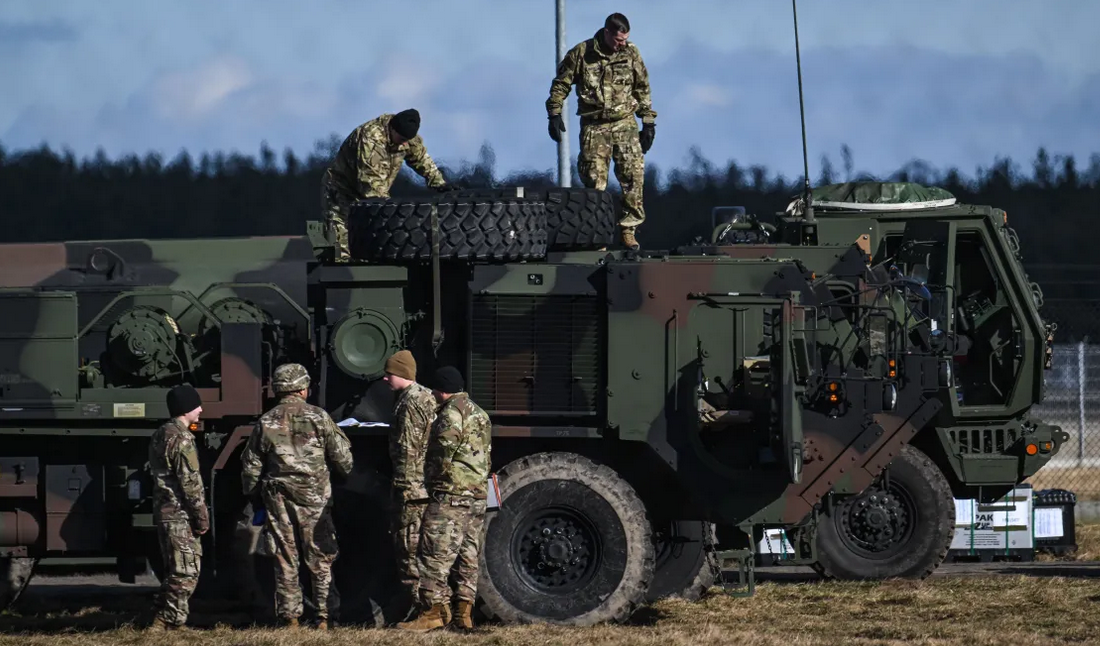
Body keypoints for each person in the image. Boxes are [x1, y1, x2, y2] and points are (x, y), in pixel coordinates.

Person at [240, 363, 354, 629]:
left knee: (285, 558)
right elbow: (343, 459)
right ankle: (325, 617)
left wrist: (255, 494)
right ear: (303, 389)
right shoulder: (319, 417)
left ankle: (290, 618)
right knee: (320, 557)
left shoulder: (266, 421)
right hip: (315, 500)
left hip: (279, 500)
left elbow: (251, 467)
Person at [545, 12, 656, 252]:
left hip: (625, 122)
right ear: (606, 33)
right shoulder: (582, 53)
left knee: (633, 177)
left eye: (625, 39)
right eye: (618, 40)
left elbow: (642, 88)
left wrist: (648, 122)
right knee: (594, 181)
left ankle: (628, 231)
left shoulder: (631, 53)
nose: (622, 44)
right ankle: (597, 234)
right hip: (594, 125)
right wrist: (554, 113)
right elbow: (561, 84)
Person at [397, 366, 492, 632]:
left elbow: (442, 454)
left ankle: (433, 612)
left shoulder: (450, 414)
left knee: (433, 554)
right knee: (468, 555)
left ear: (441, 390)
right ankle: (464, 613)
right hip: (477, 495)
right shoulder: (480, 413)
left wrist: (430, 480)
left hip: (451, 494)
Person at [321, 109, 451, 261]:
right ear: (392, 129)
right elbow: (371, 183)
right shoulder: (372, 138)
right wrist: (388, 209)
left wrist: (439, 183)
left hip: (371, 197)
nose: (404, 143)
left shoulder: (406, 137)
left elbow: (421, 158)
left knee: (368, 249)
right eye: (401, 139)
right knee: (341, 250)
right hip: (342, 192)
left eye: (407, 140)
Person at [381, 350, 439, 618]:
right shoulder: (425, 396)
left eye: (389, 373)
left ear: (401, 373)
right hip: (423, 484)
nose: (385, 378)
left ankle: (423, 610)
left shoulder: (410, 402)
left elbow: (408, 449)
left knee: (409, 548)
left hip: (412, 488)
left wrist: (403, 488)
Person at [147, 384, 209, 632]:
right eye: (197, 405)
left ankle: (172, 618)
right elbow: (191, 483)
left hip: (165, 512)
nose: (201, 409)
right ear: (186, 409)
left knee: (174, 570)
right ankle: (165, 621)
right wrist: (201, 517)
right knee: (186, 571)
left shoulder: (161, 433)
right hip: (180, 514)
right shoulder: (182, 439)